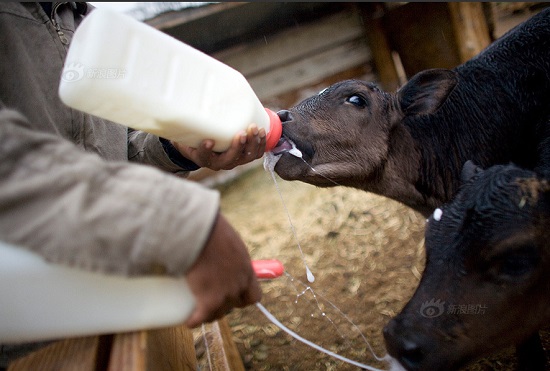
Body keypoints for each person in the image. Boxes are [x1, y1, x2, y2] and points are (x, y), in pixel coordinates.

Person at [0, 2, 262, 366]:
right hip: (28, 330)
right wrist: (175, 221)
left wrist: (173, 147)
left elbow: (113, 155)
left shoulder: (87, 22)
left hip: (121, 294)